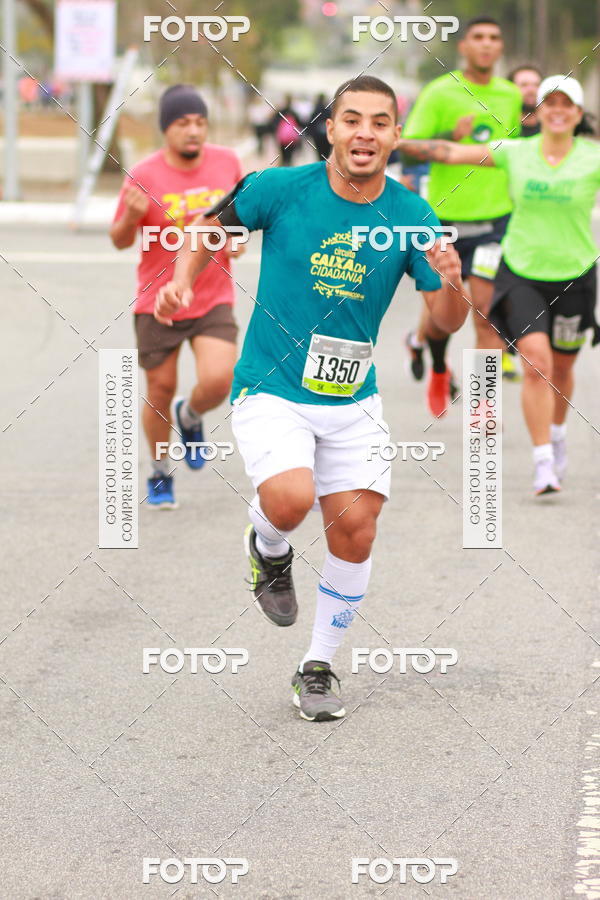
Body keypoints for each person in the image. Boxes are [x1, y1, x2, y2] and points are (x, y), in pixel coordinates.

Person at [155, 76, 467, 721]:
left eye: (380, 123)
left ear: (395, 135)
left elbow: (447, 321)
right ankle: (268, 547)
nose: (365, 134)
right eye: (352, 120)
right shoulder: (281, 188)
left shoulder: (412, 216)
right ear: (331, 128)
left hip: (353, 398)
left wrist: (454, 285)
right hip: (271, 386)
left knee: (356, 530)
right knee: (291, 501)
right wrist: (182, 282)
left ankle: (317, 665)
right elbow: (207, 232)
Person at [398, 75, 600, 496]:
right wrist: (387, 143)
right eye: (550, 103)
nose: (558, 110)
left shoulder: (592, 158)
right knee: (535, 363)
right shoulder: (517, 152)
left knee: (562, 367)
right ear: (539, 111)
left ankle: (557, 435)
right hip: (521, 271)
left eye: (567, 104)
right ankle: (542, 461)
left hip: (576, 275)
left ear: (578, 115)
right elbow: (451, 152)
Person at [110, 85, 243, 508]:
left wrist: (237, 239)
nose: (193, 131)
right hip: (157, 301)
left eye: (200, 122)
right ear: (166, 128)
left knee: (220, 379)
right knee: (160, 387)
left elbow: (240, 218)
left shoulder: (227, 163)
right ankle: (160, 469)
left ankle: (191, 415)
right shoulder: (144, 175)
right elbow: (117, 240)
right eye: (183, 123)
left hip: (212, 295)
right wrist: (131, 217)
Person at [401, 16, 522, 416]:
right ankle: (435, 363)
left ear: (500, 48)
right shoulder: (440, 92)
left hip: (493, 223)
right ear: (464, 46)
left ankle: (482, 410)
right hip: (444, 222)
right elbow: (408, 145)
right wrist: (451, 137)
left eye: (494, 38)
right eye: (478, 38)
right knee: (443, 314)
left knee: (485, 318)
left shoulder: (510, 96)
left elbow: (517, 156)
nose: (487, 45)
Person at [509, 65, 543, 137]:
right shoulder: (503, 128)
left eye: (536, 85)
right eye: (524, 85)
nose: (531, 90)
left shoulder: (552, 128)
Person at [273, 95, 303, 166]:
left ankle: (284, 165)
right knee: (290, 154)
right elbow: (299, 124)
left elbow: (274, 122)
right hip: (292, 138)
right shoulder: (294, 112)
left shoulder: (281, 111)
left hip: (282, 137)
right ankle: (289, 165)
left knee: (283, 154)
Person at [307, 93, 331, 161]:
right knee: (327, 152)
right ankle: (325, 164)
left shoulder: (315, 110)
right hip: (326, 135)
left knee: (319, 153)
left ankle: (321, 163)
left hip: (317, 136)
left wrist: (310, 134)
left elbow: (310, 123)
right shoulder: (328, 110)